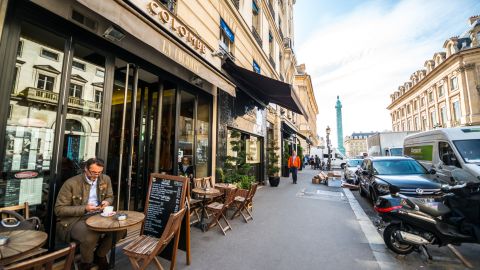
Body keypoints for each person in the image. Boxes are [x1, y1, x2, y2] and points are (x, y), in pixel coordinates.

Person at [55, 158, 126, 270]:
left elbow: (110, 196)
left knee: (120, 229)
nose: (97, 175)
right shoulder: (71, 183)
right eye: (93, 172)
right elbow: (59, 209)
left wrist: (107, 202)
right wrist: (85, 208)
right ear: (86, 169)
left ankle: (100, 255)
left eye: (99, 172)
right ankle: (86, 263)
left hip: (99, 215)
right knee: (90, 235)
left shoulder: (105, 179)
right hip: (75, 219)